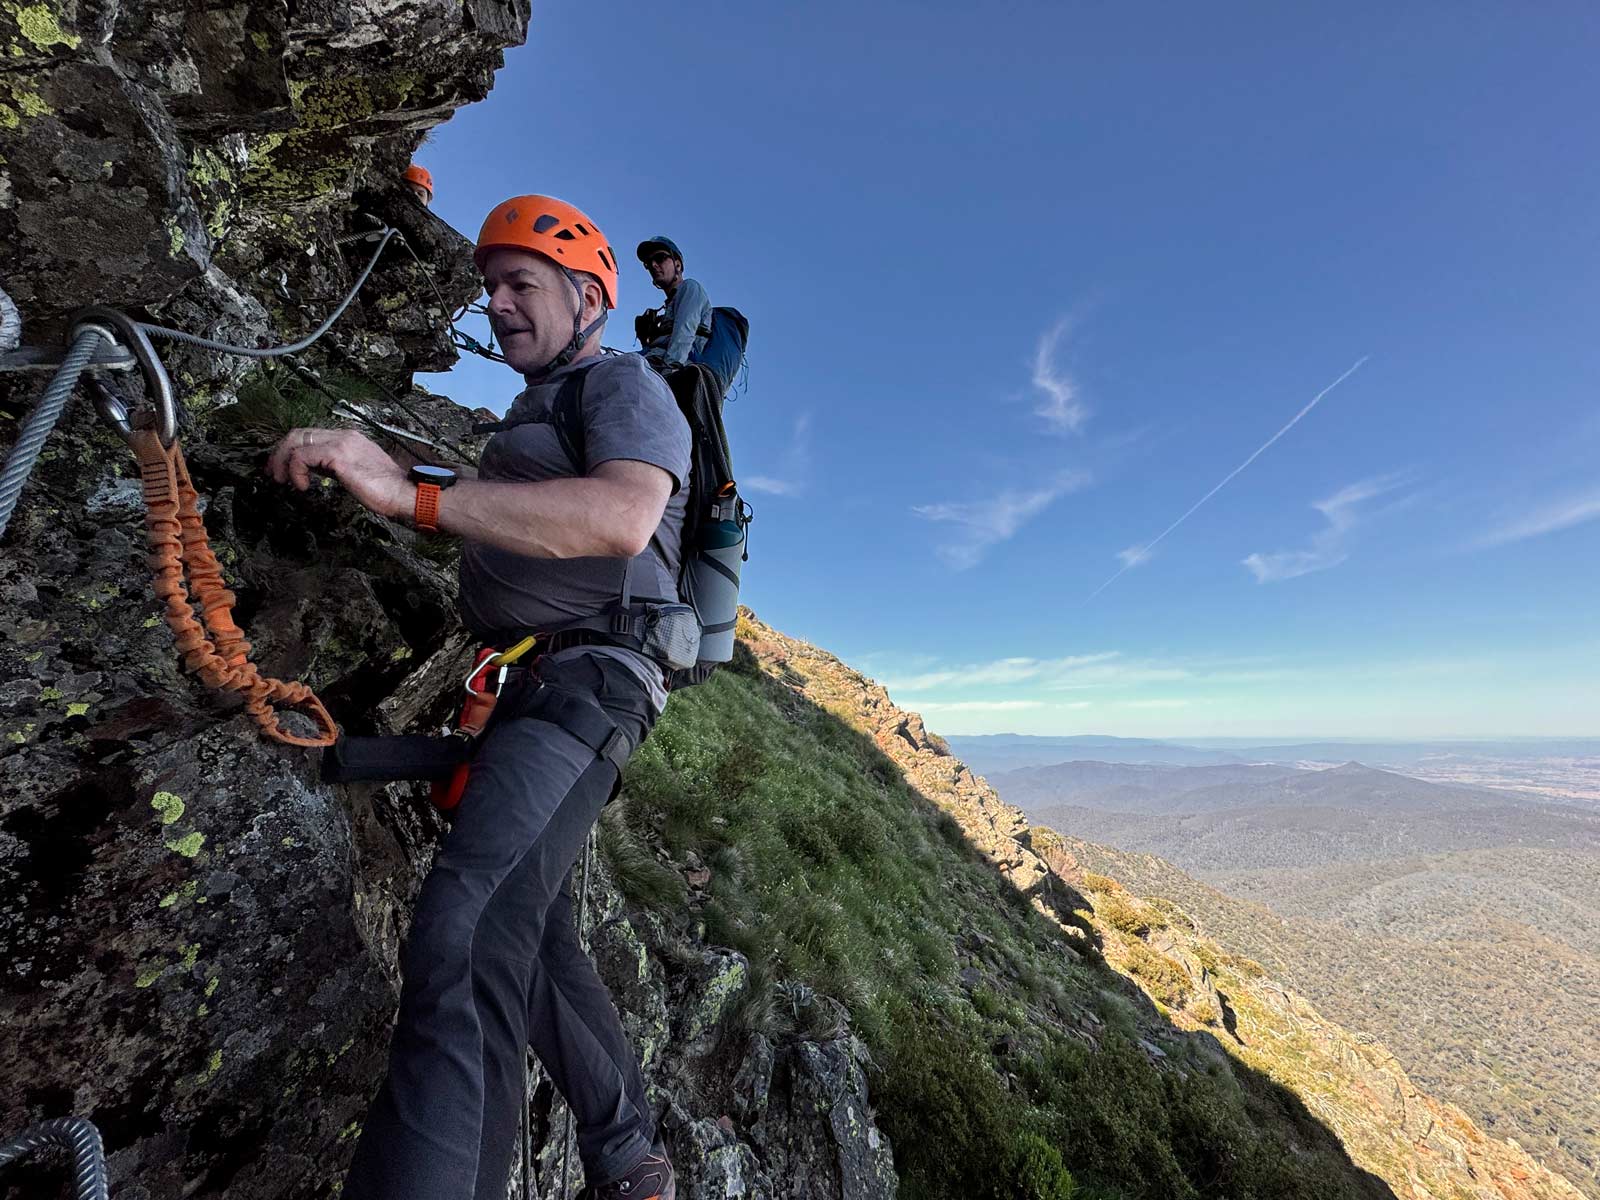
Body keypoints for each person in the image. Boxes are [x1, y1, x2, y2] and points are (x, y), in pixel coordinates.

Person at [265, 195, 685, 1200]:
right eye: (488, 286)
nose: (495, 305)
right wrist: (379, 462)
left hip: (590, 678)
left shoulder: (622, 382)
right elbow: (486, 493)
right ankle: (629, 1157)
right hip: (538, 684)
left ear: (587, 296)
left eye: (519, 285)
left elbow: (622, 517)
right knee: (528, 927)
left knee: (467, 929)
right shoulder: (533, 415)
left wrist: (406, 493)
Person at [635, 236, 710, 369]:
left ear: (678, 265)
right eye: (648, 263)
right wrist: (645, 339)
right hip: (653, 360)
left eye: (659, 258)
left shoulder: (690, 287)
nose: (653, 265)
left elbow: (684, 334)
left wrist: (669, 372)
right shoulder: (670, 305)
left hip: (670, 367)